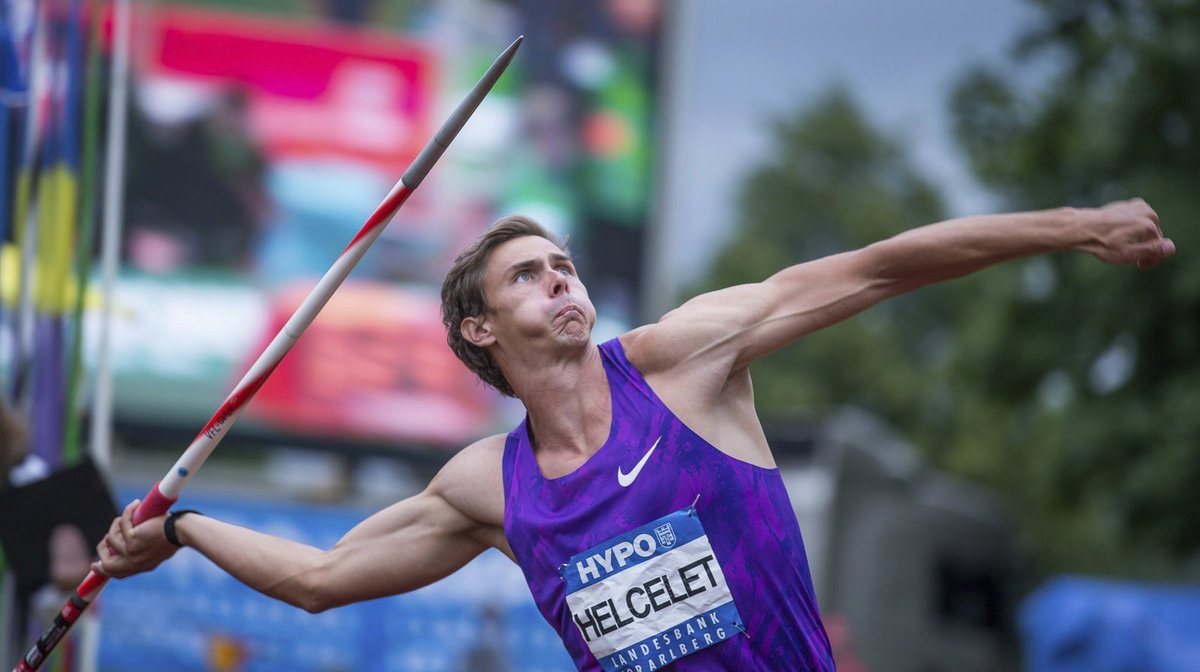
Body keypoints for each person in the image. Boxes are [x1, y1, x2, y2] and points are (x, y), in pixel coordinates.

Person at [95, 199, 1175, 671]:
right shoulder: (487, 486)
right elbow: (322, 577)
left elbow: (881, 265)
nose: (560, 277)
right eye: (529, 274)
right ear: (480, 328)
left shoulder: (687, 362)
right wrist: (184, 525)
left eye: (563, 264)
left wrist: (1077, 228)